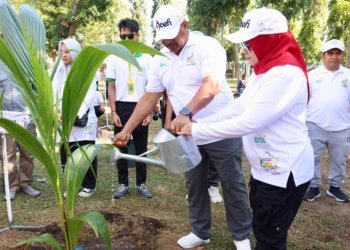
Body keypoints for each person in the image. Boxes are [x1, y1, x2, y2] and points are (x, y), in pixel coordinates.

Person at [114, 5, 252, 249]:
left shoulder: (207, 46)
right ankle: (200, 231)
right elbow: (149, 97)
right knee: (194, 182)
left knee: (232, 182)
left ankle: (241, 236)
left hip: (220, 126)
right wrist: (127, 129)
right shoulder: (160, 58)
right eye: (164, 38)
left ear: (185, 25)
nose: (169, 42)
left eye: (173, 36)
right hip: (188, 133)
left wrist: (186, 112)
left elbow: (211, 85)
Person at [179, 7, 314, 250]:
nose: (243, 51)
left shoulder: (285, 74)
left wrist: (195, 132)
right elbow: (239, 106)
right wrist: (201, 123)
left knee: (270, 236)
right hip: (266, 169)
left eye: (248, 45)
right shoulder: (262, 72)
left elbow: (249, 122)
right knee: (262, 228)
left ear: (268, 42)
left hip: (285, 171)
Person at [106, 18, 153, 199]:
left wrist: (149, 112)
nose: (125, 39)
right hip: (121, 106)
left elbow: (152, 87)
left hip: (141, 105)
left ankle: (141, 183)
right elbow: (111, 86)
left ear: (137, 35)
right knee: (121, 146)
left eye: (129, 36)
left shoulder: (147, 58)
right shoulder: (113, 57)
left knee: (141, 147)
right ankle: (123, 184)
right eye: (122, 36)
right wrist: (114, 111)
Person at [303, 39, 350, 202]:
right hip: (314, 124)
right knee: (312, 157)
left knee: (339, 160)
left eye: (338, 53)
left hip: (342, 127)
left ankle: (335, 188)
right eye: (330, 53)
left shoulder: (348, 75)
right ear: (323, 55)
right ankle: (313, 187)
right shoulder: (311, 76)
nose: (334, 57)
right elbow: (303, 99)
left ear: (342, 55)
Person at [52, 38, 98, 198]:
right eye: (61, 52)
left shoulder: (86, 70)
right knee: (67, 153)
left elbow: (89, 94)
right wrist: (56, 111)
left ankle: (89, 185)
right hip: (63, 120)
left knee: (85, 152)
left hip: (82, 120)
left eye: (67, 52)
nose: (63, 55)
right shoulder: (58, 70)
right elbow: (53, 93)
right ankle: (72, 184)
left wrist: (73, 113)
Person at [0, 64, 41, 200]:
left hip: (27, 117)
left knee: (28, 153)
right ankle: (11, 187)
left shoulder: (25, 62)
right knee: (8, 154)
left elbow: (37, 90)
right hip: (6, 118)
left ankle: (25, 183)